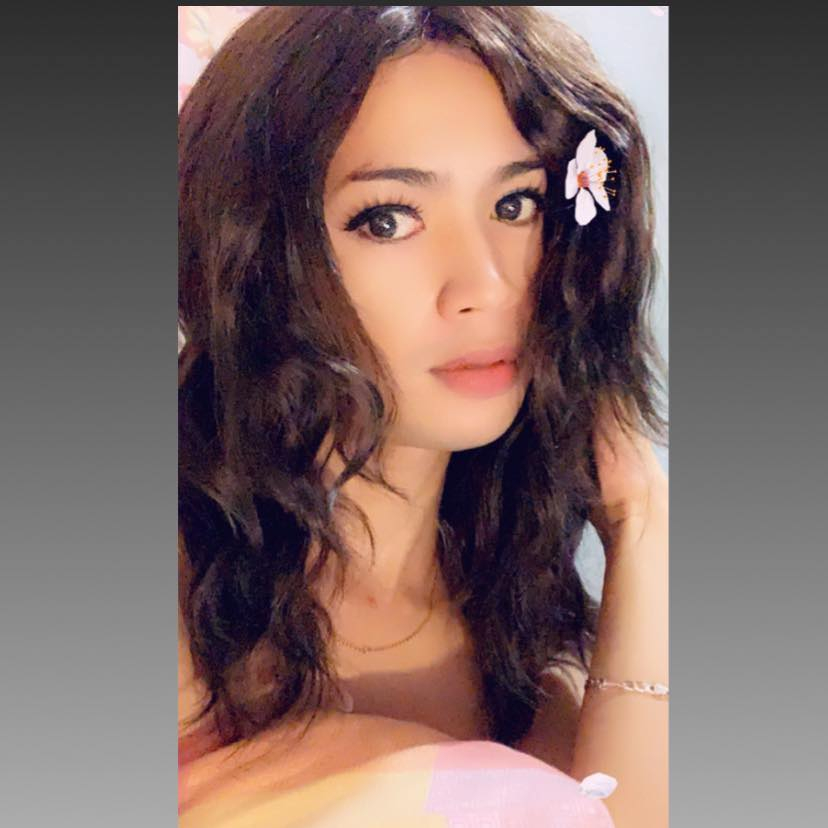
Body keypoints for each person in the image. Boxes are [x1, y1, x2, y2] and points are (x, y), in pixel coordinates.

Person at [178, 6, 668, 826]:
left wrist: (643, 526)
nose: (485, 285)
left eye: (517, 205)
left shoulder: (525, 632)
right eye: (388, 219)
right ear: (255, 252)